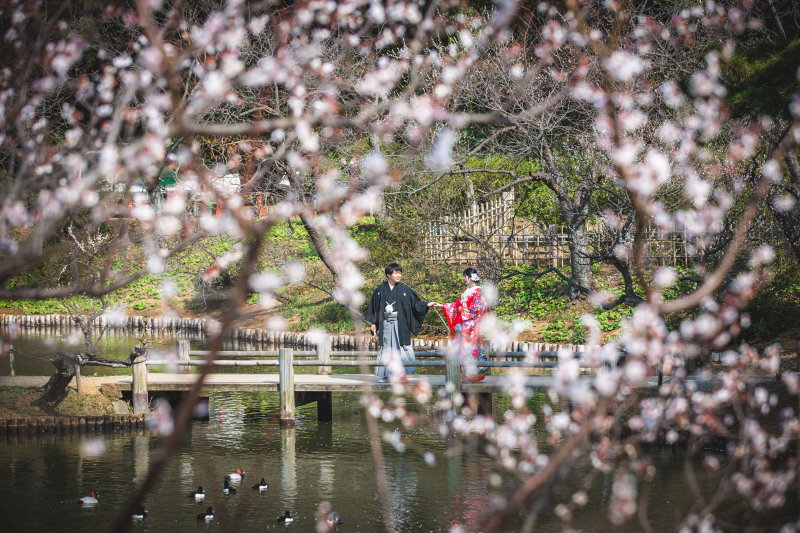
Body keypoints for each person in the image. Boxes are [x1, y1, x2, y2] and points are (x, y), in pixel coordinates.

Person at [365, 263, 435, 382]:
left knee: (402, 348)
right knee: (386, 348)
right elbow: (374, 307)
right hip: (385, 324)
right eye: (396, 273)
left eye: (400, 273)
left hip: (400, 323)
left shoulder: (404, 290)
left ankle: (403, 375)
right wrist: (373, 323)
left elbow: (416, 304)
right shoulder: (380, 290)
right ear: (388, 275)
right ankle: (386, 375)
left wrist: (426, 305)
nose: (399, 275)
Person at [431, 267, 489, 381]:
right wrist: (441, 305)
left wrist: (464, 310)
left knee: (471, 350)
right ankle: (468, 373)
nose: (463, 279)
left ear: (469, 277)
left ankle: (475, 374)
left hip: (471, 327)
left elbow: (480, 307)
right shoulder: (467, 291)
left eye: (464, 276)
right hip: (463, 326)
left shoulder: (478, 291)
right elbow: (456, 305)